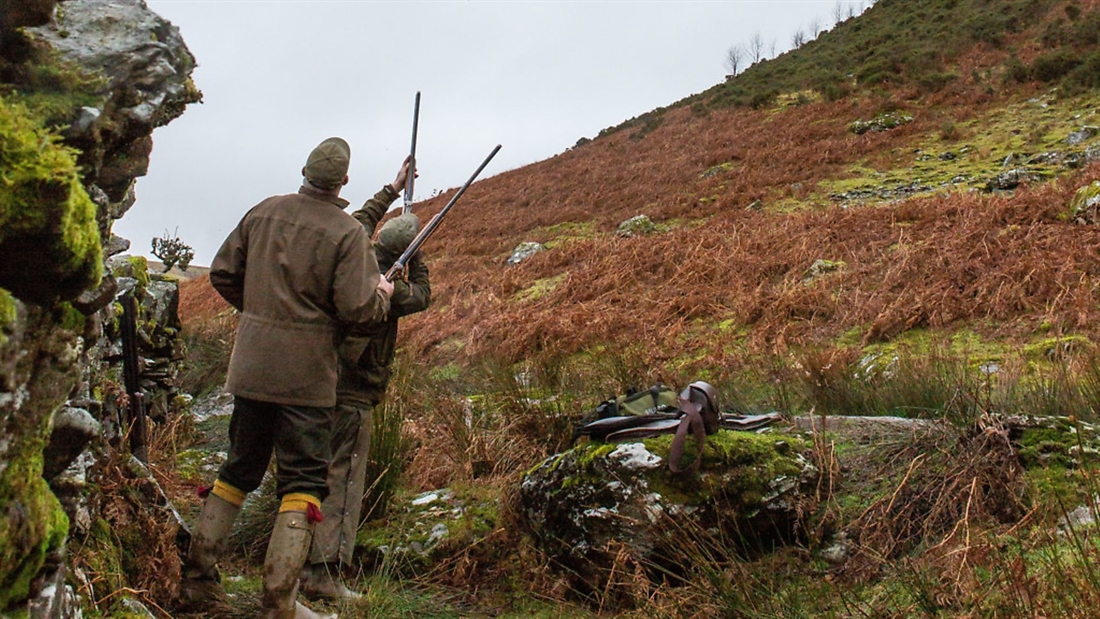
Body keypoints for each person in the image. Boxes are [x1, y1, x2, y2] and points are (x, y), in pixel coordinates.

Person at [178, 137, 407, 619]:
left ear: (304, 172)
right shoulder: (346, 234)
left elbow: (222, 274)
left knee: (238, 469)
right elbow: (360, 310)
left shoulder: (263, 211)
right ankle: (279, 602)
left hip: (251, 368)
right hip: (307, 380)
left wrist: (261, 315)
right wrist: (384, 294)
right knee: (303, 481)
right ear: (343, 182)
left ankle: (197, 582)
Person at [298, 188, 431, 601]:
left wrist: (391, 190)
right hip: (354, 398)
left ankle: (293, 558)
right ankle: (323, 573)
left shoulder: (350, 263)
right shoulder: (389, 292)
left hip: (317, 383)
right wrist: (417, 259)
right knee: (345, 478)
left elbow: (358, 221)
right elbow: (424, 294)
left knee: (309, 473)